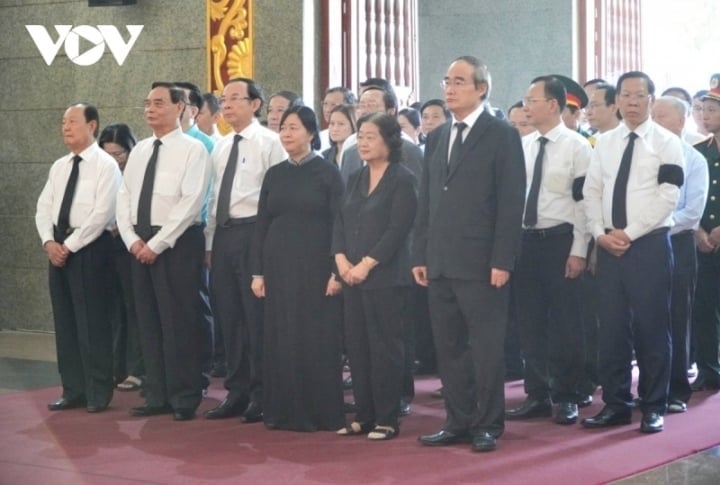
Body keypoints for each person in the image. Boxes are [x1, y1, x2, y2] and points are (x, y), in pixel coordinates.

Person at [413, 56, 526, 452]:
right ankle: (457, 419)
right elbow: (427, 199)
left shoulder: (501, 134)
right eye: (447, 80)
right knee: (450, 347)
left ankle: (487, 424)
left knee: (486, 348)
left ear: (481, 88)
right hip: (440, 261)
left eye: (459, 81)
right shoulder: (438, 136)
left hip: (482, 264)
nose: (449, 87)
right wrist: (421, 253)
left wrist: (502, 260)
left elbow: (511, 203)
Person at [582, 71, 684, 434]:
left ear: (651, 100)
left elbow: (668, 196)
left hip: (649, 245)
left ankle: (654, 404)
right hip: (609, 246)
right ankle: (616, 403)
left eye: (640, 96)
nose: (632, 102)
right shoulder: (604, 142)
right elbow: (592, 192)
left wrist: (629, 233)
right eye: (626, 95)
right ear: (617, 101)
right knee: (610, 329)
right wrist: (599, 233)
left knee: (652, 328)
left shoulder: (667, 142)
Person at [116, 82, 211, 421]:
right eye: (147, 103)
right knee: (149, 320)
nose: (150, 109)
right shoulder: (140, 149)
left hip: (177, 243)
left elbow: (191, 202)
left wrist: (157, 243)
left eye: (158, 103)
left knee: (178, 321)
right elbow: (124, 196)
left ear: (179, 108)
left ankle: (184, 396)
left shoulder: (192, 149)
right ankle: (156, 393)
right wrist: (131, 239)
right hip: (139, 243)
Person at [250, 105, 345, 431]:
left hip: (316, 267)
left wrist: (336, 270)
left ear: (310, 132)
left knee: (315, 337)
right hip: (278, 267)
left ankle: (318, 412)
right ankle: (281, 411)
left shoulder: (328, 173)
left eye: (293, 128)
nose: (286, 134)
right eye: (283, 128)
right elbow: (262, 224)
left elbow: (340, 223)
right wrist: (258, 272)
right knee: (280, 336)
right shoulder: (275, 174)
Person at [505, 76, 592, 425]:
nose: (526, 106)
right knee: (530, 323)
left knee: (566, 324)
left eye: (532, 100)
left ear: (553, 105)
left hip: (561, 241)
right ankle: (537, 394)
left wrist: (579, 250)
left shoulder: (577, 147)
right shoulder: (523, 146)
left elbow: (585, 203)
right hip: (526, 242)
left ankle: (568, 395)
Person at [203, 77, 286, 422]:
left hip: (255, 233)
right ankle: (235, 392)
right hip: (223, 235)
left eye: (236, 98)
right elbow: (213, 197)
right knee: (229, 317)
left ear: (255, 104)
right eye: (224, 99)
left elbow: (278, 197)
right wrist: (209, 242)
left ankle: (262, 393)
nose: (227, 104)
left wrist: (268, 246)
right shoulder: (221, 146)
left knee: (255, 318)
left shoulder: (270, 142)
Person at [332, 112, 417, 440]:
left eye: (370, 137)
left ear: (389, 141)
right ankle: (363, 415)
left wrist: (366, 264)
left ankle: (387, 417)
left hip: (385, 277)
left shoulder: (403, 178)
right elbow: (339, 221)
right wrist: (340, 260)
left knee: (385, 347)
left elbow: (398, 229)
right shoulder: (354, 177)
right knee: (357, 346)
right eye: (361, 136)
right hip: (350, 275)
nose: (363, 143)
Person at [36, 102, 122, 413]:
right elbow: (44, 207)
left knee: (92, 323)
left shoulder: (105, 165)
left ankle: (98, 391)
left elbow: (102, 214)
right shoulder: (60, 166)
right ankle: (72, 389)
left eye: (73, 121)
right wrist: (49, 242)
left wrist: (69, 246)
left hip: (89, 249)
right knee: (66, 322)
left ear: (92, 125)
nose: (66, 127)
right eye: (63, 122)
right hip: (58, 248)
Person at [651, 95, 709, 412]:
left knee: (676, 316)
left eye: (663, 116)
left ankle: (676, 390)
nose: (655, 121)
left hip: (677, 242)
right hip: (641, 244)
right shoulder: (643, 152)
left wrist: (652, 225)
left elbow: (691, 212)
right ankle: (649, 387)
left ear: (681, 122)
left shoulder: (694, 159)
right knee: (644, 318)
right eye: (653, 115)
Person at [98, 123, 145, 393]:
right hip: (105, 248)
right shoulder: (100, 173)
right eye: (108, 154)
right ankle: (116, 366)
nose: (115, 160)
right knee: (113, 310)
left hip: (130, 246)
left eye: (119, 154)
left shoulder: (137, 174)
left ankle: (137, 368)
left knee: (134, 309)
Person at [691, 86, 720, 392]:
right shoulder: (699, 152)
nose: (705, 115)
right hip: (703, 243)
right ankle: (709, 369)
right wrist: (698, 230)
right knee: (703, 307)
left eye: (712, 110)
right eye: (701, 110)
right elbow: (687, 197)